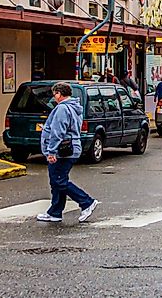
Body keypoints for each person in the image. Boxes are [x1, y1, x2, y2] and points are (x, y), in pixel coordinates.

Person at [36, 82, 100, 224]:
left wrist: (51, 151)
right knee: (56, 181)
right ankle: (55, 212)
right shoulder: (73, 107)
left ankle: (86, 202)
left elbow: (58, 131)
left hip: (62, 150)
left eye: (55, 94)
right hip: (71, 148)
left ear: (59, 93)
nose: (54, 97)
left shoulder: (62, 109)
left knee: (59, 180)